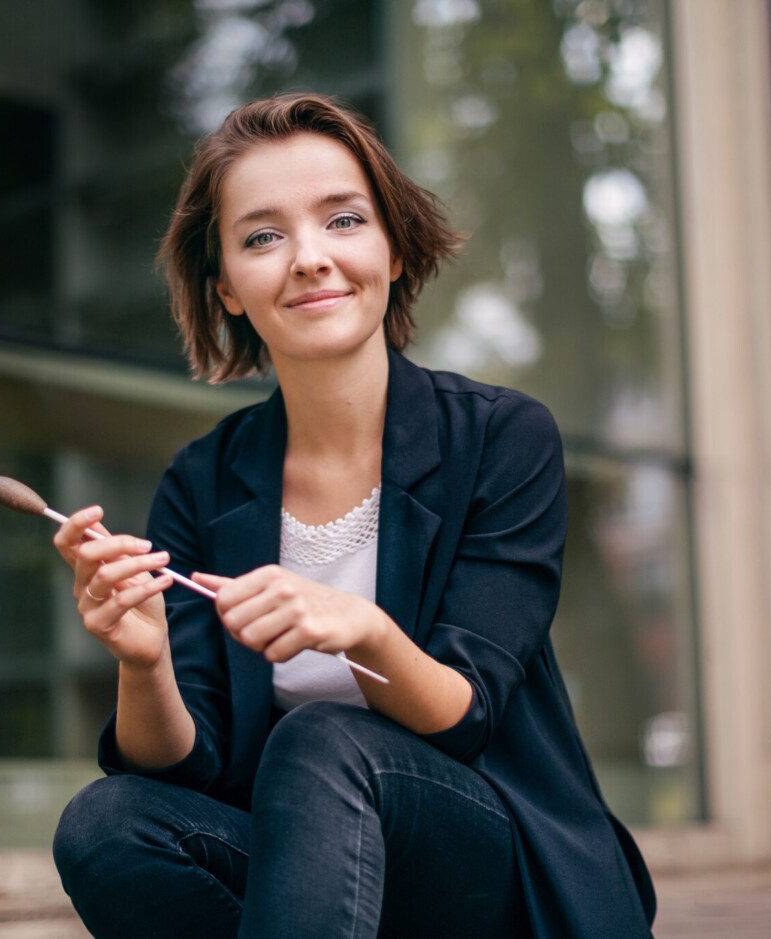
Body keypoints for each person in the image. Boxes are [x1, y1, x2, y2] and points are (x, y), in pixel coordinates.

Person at [51, 93, 656, 938]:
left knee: (323, 738)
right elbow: (190, 763)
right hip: (313, 880)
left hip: (493, 872)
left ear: (395, 248)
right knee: (106, 821)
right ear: (225, 285)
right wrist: (144, 662)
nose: (308, 258)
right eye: (263, 236)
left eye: (343, 220)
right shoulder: (202, 480)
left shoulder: (500, 438)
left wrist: (360, 630)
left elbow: (466, 708)